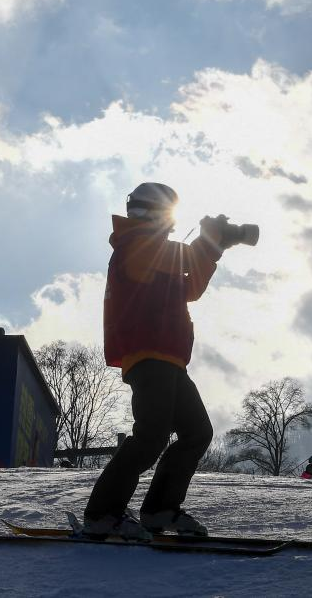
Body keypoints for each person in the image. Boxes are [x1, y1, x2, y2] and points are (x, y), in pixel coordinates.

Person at [82, 182, 231, 539]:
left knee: (196, 432)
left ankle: (160, 511)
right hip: (148, 353)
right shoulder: (134, 244)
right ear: (155, 213)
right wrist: (209, 241)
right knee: (151, 435)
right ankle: (102, 515)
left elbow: (190, 286)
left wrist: (211, 247)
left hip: (169, 356)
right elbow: (177, 260)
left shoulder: (152, 248)